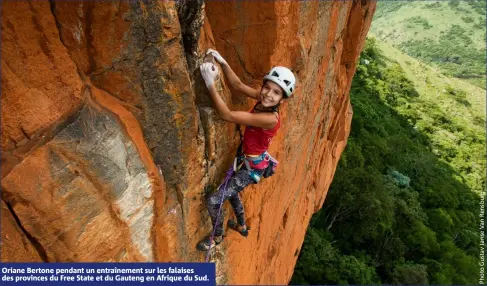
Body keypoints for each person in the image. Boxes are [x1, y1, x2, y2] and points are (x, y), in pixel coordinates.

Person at [196, 49, 296, 251]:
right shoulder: (263, 100)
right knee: (231, 190)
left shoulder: (269, 118)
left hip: (252, 169)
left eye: (276, 93)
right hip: (246, 160)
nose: (268, 94)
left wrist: (209, 83)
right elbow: (238, 85)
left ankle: (216, 237)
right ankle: (241, 225)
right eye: (267, 88)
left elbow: (227, 115)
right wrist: (223, 62)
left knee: (214, 200)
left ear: (282, 100)